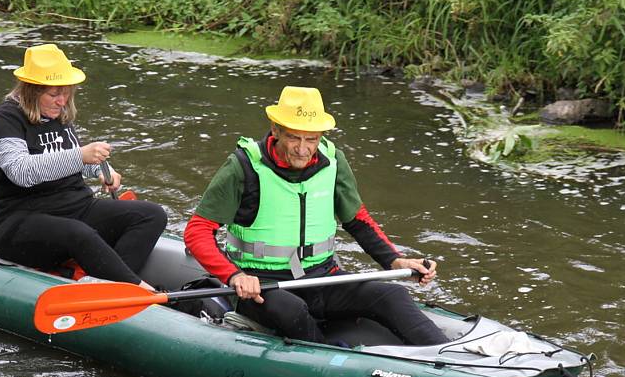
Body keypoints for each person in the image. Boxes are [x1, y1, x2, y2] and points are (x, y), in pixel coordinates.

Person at [184, 85, 448, 346]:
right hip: (262, 285)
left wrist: (395, 261)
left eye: (311, 139)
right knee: (292, 311)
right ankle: (328, 359)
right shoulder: (243, 167)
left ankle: (448, 358)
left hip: (322, 276)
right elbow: (197, 231)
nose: (302, 148)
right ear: (275, 130)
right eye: (293, 137)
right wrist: (235, 276)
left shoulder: (333, 162)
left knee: (392, 294)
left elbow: (357, 220)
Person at [0, 44, 167, 290]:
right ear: (30, 91)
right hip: (16, 223)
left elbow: (68, 159)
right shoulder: (6, 119)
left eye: (66, 93)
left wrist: (102, 171)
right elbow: (22, 172)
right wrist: (82, 156)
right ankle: (137, 289)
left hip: (74, 208)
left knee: (152, 214)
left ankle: (107, 283)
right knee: (78, 232)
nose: (61, 101)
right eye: (53, 94)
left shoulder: (57, 113)